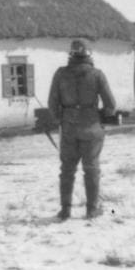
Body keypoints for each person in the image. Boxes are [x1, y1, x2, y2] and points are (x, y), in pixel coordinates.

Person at [48, 39, 116, 220]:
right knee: (91, 168)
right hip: (91, 127)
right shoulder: (97, 74)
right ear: (89, 55)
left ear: (71, 54)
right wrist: (100, 116)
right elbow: (111, 105)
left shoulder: (60, 74)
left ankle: (65, 210)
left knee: (67, 169)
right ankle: (92, 210)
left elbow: (52, 104)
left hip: (69, 128)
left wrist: (60, 120)